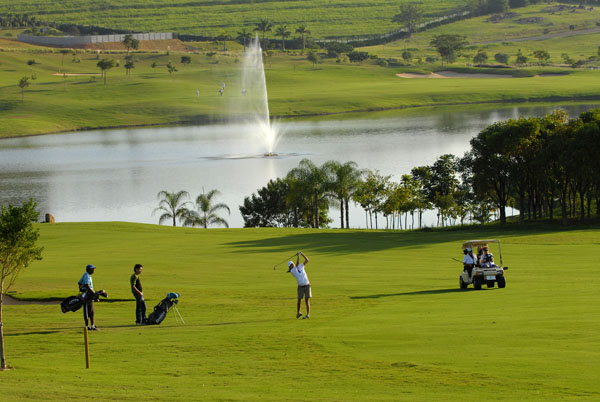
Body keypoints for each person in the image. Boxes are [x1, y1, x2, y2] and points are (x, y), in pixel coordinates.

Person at [287, 251, 311, 319]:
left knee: (307, 300)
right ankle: (298, 313)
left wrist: (302, 254)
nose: (292, 265)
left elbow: (307, 260)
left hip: (307, 285)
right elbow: (297, 263)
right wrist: (298, 256)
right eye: (291, 265)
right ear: (290, 267)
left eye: (292, 264)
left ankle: (308, 315)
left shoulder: (301, 266)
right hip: (300, 286)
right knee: (299, 300)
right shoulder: (292, 271)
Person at [78, 264, 99, 331]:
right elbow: (87, 285)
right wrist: (93, 293)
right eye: (92, 269)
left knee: (91, 311)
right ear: (88, 269)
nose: (93, 270)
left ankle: (91, 326)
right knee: (88, 311)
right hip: (87, 295)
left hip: (88, 294)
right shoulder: (87, 276)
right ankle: (88, 326)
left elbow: (79, 282)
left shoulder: (87, 275)